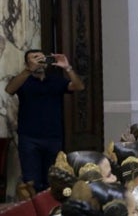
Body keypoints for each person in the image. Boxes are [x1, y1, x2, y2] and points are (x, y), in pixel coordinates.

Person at [5, 48, 84, 192]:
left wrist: (68, 67)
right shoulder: (23, 80)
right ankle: (33, 213)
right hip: (29, 138)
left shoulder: (55, 80)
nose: (40, 62)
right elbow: (9, 89)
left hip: (53, 137)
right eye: (35, 58)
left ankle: (49, 212)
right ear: (27, 63)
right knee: (31, 182)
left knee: (52, 181)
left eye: (42, 58)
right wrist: (29, 70)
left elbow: (79, 86)